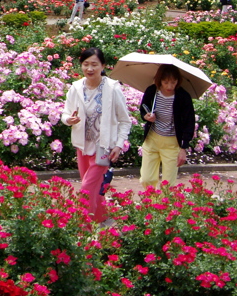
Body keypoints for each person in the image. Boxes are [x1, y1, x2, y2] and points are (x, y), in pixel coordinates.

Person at [60, 47, 130, 222]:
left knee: (86, 188)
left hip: (103, 147)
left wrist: (119, 144)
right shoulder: (75, 88)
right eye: (85, 64)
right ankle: (102, 223)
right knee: (94, 188)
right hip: (83, 145)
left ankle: (85, 228)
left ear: (103, 66)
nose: (89, 69)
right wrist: (69, 120)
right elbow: (65, 113)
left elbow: (124, 120)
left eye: (94, 64)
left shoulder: (112, 88)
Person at [139, 64, 195, 190]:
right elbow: (143, 107)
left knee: (168, 184)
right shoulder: (152, 91)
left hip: (172, 142)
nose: (169, 86)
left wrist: (183, 148)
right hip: (152, 139)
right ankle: (151, 203)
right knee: (147, 178)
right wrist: (147, 116)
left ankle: (163, 207)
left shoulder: (183, 97)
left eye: (173, 82)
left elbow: (189, 122)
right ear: (159, 81)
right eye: (165, 82)